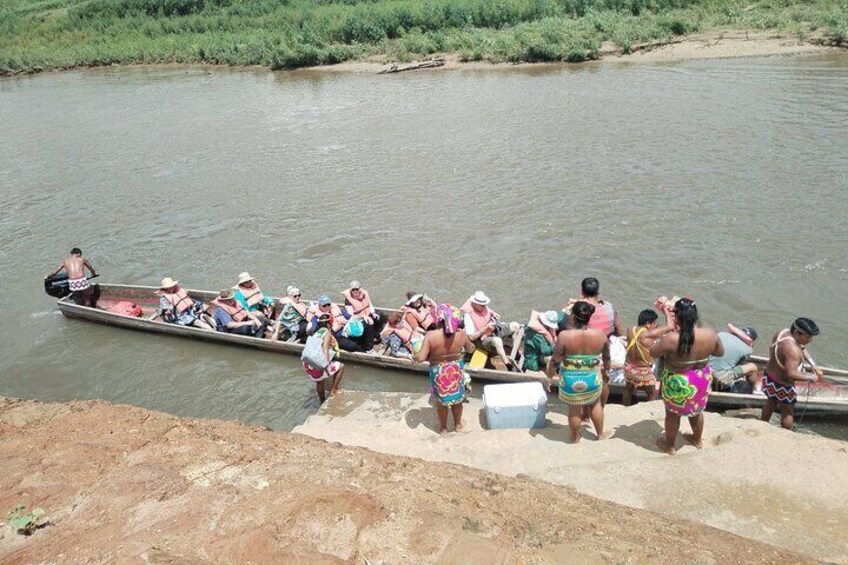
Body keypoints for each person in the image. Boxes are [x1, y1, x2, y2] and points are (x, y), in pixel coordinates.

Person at [649, 298, 723, 455]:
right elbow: (719, 352)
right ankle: (697, 440)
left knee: (672, 414)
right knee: (696, 412)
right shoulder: (710, 334)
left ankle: (670, 447)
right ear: (695, 315)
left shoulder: (672, 339)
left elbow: (653, 353)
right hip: (701, 378)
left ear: (677, 317)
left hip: (678, 379)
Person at [546, 301, 611, 443]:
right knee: (595, 405)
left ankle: (575, 438)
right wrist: (606, 372)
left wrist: (550, 377)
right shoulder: (600, 334)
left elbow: (555, 361)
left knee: (574, 409)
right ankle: (600, 435)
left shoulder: (564, 336)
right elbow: (606, 358)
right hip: (592, 379)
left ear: (573, 318)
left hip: (570, 381)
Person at [415, 304, 476, 434]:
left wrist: (413, 356)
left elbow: (420, 358)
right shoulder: (461, 334)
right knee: (458, 400)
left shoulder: (431, 336)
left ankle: (443, 428)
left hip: (439, 371)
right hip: (455, 370)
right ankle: (458, 425)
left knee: (442, 402)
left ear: (439, 319)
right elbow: (471, 349)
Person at [761, 318, 822, 430]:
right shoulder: (792, 350)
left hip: (769, 377)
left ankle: (762, 424)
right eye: (808, 337)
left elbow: (802, 348)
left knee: (770, 402)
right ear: (797, 333)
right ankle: (787, 433)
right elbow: (791, 374)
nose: (810, 340)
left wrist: (813, 364)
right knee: (788, 410)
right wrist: (811, 377)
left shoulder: (782, 333)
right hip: (782, 384)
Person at [622, 309, 672, 406]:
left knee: (628, 390)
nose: (655, 326)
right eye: (654, 323)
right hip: (643, 371)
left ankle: (625, 407)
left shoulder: (629, 330)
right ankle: (650, 410)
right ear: (648, 324)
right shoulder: (648, 334)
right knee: (651, 393)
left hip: (629, 368)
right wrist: (665, 310)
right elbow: (670, 326)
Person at [461, 291, 516, 371]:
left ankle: (514, 353)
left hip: (493, 330)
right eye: (482, 305)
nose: (484, 307)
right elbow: (472, 337)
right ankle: (508, 365)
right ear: (475, 304)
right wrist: (486, 328)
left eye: (485, 305)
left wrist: (494, 314)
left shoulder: (483, 306)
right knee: (498, 341)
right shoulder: (468, 316)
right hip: (482, 339)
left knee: (515, 325)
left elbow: (489, 311)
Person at [302, 313, 345, 402]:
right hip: (317, 366)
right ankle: (334, 390)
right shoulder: (327, 333)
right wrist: (327, 363)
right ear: (329, 323)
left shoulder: (317, 332)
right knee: (341, 367)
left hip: (308, 364)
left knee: (320, 381)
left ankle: (322, 401)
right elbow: (325, 348)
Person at [307, 295, 372, 353]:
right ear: (319, 306)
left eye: (328, 304)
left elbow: (350, 317)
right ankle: (364, 353)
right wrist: (335, 329)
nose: (327, 307)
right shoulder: (317, 318)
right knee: (353, 346)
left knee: (366, 324)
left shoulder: (336, 311)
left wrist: (363, 316)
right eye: (324, 305)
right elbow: (315, 332)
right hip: (337, 338)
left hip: (347, 331)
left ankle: (369, 349)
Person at [710, 324, 760, 393]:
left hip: (706, 371)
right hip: (720, 379)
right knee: (753, 367)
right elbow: (738, 364)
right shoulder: (748, 349)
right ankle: (751, 392)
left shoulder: (721, 334)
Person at [342, 280, 382, 350]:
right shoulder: (348, 300)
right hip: (357, 319)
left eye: (356, 289)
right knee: (368, 324)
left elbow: (369, 304)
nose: (355, 291)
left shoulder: (364, 294)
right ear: (350, 290)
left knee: (380, 316)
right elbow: (351, 316)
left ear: (360, 288)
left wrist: (373, 313)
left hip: (367, 314)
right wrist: (363, 317)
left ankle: (376, 336)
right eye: (353, 289)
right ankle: (369, 347)